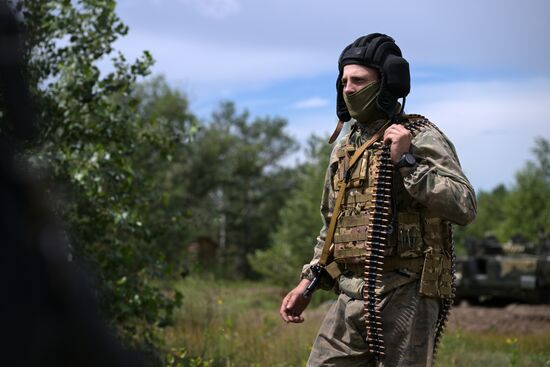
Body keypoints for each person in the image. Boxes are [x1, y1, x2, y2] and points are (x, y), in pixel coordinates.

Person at [279, 33, 477, 367]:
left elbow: (464, 205)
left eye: (358, 80)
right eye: (344, 81)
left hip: (406, 292)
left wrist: (406, 162)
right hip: (351, 291)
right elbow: (332, 227)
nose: (348, 89)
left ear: (385, 84)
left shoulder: (419, 135)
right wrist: (307, 283)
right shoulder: (345, 148)